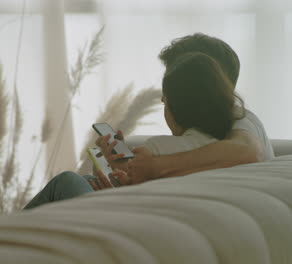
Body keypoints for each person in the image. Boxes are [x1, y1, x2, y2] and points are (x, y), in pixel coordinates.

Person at [24, 51, 244, 209]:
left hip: (134, 224)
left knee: (66, 181)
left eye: (165, 103)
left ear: (178, 108)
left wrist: (114, 190)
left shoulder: (160, 148)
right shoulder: (232, 142)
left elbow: (139, 203)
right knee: (87, 182)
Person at [121, 33, 274, 183]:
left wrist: (155, 166)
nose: (165, 96)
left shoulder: (241, 117)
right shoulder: (205, 134)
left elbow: (248, 152)